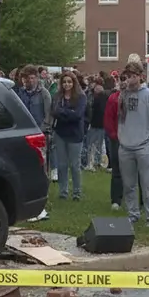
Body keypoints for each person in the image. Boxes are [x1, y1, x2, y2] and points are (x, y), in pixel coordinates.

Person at [117, 62, 149, 226]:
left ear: (140, 76)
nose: (130, 79)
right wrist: (121, 138)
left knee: (147, 185)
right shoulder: (123, 94)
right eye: (128, 76)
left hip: (143, 146)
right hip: (126, 146)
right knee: (129, 184)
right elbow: (120, 118)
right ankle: (133, 213)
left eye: (133, 76)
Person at [52, 71, 87, 200]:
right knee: (62, 165)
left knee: (74, 165)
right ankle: (63, 191)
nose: (67, 84)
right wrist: (68, 113)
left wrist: (63, 113)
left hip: (75, 134)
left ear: (74, 83)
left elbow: (78, 115)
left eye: (69, 82)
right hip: (60, 133)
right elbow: (54, 112)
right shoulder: (57, 96)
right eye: (64, 82)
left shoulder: (81, 97)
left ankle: (77, 192)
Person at [105, 78, 124, 209]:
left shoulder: (138, 98)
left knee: (133, 172)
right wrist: (113, 135)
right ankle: (116, 200)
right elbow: (108, 118)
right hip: (117, 139)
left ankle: (131, 199)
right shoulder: (113, 98)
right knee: (117, 169)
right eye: (122, 80)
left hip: (133, 140)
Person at [86, 77, 109, 170]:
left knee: (91, 144)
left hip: (96, 123)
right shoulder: (104, 95)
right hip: (100, 123)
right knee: (97, 144)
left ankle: (92, 163)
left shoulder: (94, 96)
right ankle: (96, 162)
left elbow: (93, 109)